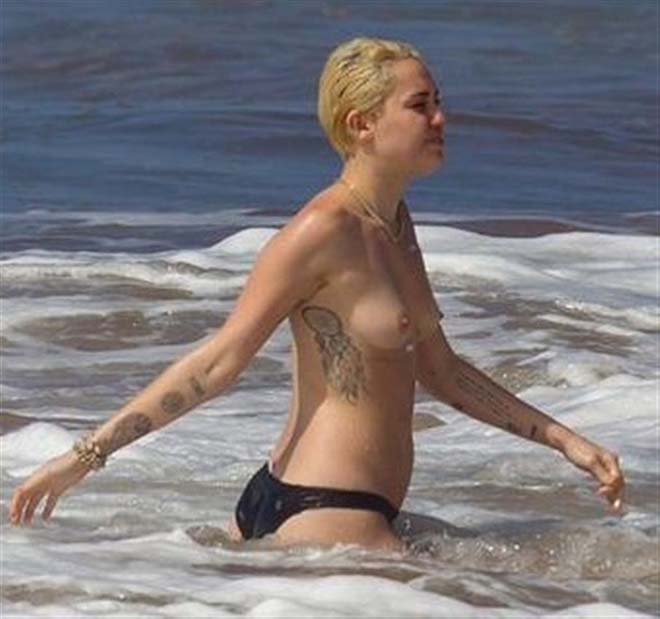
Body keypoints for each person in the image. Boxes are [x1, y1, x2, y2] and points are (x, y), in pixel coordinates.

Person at [10, 38, 625, 551]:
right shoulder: (322, 231)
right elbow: (217, 364)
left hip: (336, 506)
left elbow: (440, 369)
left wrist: (565, 440)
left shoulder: (393, 223)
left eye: (439, 103)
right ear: (362, 124)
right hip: (330, 509)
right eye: (420, 106)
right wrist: (84, 457)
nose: (440, 120)